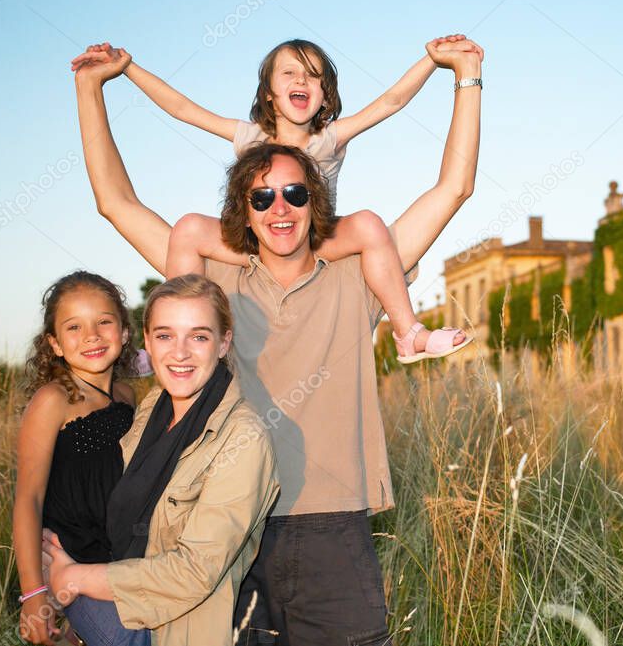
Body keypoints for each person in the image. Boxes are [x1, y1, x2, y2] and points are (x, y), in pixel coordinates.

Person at [73, 35, 481, 645]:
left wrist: (467, 79)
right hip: (225, 524)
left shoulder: (361, 273)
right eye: (261, 197)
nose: (280, 208)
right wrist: (92, 85)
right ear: (242, 208)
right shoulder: (213, 284)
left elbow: (454, 188)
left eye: (295, 193)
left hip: (330, 528)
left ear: (317, 201)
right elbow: (115, 202)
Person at [70, 36, 476, 363]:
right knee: (189, 229)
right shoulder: (249, 136)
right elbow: (181, 108)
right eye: (290, 73)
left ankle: (408, 333)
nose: (302, 80)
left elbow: (391, 102)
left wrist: (433, 61)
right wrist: (128, 68)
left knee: (370, 226)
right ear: (268, 93)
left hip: (316, 243)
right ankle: (173, 335)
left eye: (314, 76)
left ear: (326, 96)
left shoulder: (329, 138)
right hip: (251, 246)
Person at [43, 275, 280, 646]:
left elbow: (194, 571)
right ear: (148, 342)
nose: (180, 353)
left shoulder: (244, 438)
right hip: (122, 588)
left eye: (199, 336)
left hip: (176, 629)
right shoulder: (154, 405)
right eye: (166, 335)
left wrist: (74, 579)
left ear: (224, 343)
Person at [13, 271, 138, 645]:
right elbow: (28, 499)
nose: (92, 336)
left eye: (104, 322)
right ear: (53, 343)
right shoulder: (53, 400)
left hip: (122, 566)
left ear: (125, 332)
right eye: (74, 327)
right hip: (73, 564)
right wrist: (34, 595)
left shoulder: (127, 398)